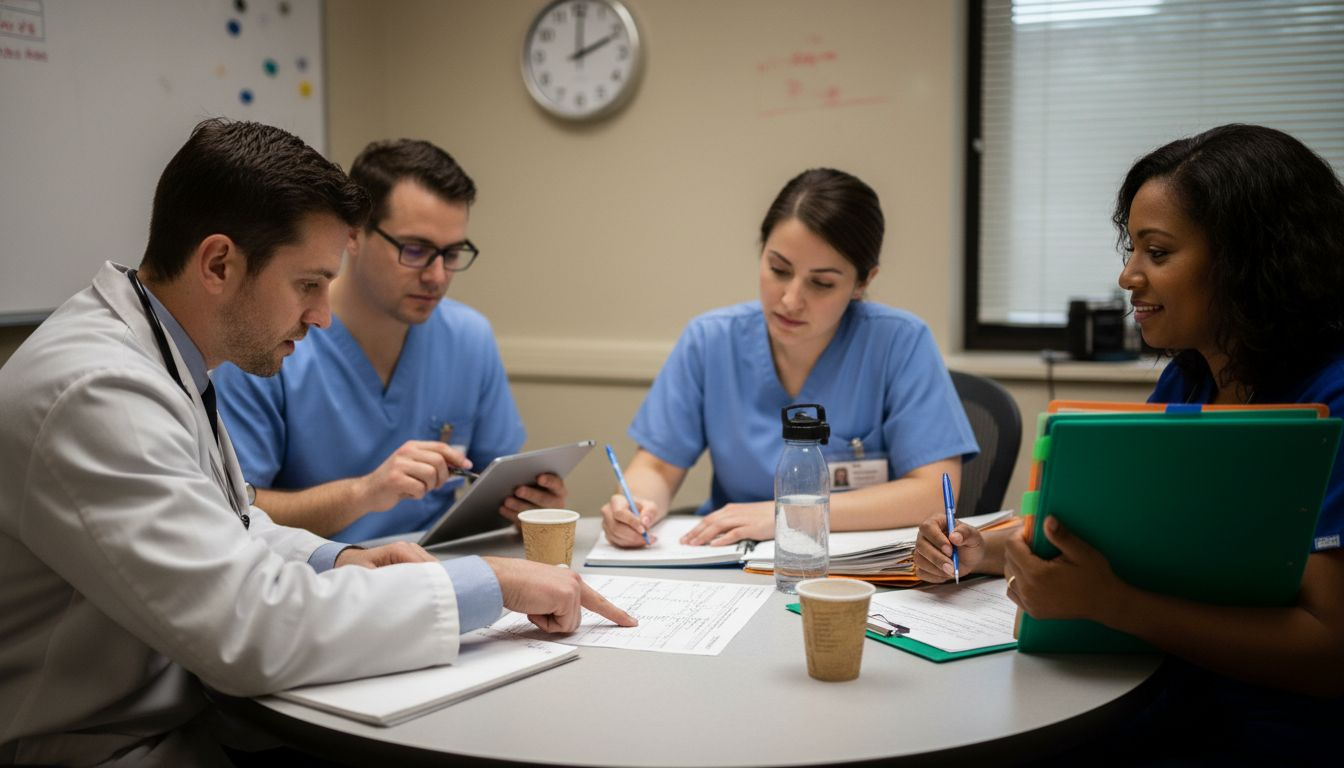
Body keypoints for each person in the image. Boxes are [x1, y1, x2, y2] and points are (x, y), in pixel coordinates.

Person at [0, 119, 634, 767]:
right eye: (308, 284)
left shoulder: (162, 356)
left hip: (187, 714)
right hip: (104, 745)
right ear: (219, 263)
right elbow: (252, 630)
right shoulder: (97, 392)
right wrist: (485, 583)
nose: (323, 315)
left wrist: (343, 560)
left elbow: (233, 524)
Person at [914, 124, 1344, 760]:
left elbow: (1327, 653)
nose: (1127, 277)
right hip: (1167, 694)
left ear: (1252, 259)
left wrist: (1117, 605)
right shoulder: (1192, 376)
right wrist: (985, 550)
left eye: (1158, 253)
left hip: (1271, 733)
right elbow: (1111, 536)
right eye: (1132, 249)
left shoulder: (1330, 401)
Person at [601, 168, 978, 548]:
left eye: (822, 283)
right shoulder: (711, 340)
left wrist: (788, 514)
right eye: (778, 269)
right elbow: (658, 466)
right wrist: (637, 507)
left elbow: (932, 491)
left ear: (862, 283)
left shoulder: (899, 342)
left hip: (856, 570)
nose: (790, 300)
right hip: (731, 562)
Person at [215, 139, 564, 542]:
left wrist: (530, 506)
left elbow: (498, 480)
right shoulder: (269, 341)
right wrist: (364, 494)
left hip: (438, 572)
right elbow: (237, 513)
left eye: (452, 254)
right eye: (415, 250)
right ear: (353, 236)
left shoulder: (469, 338)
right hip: (318, 581)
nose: (437, 276)